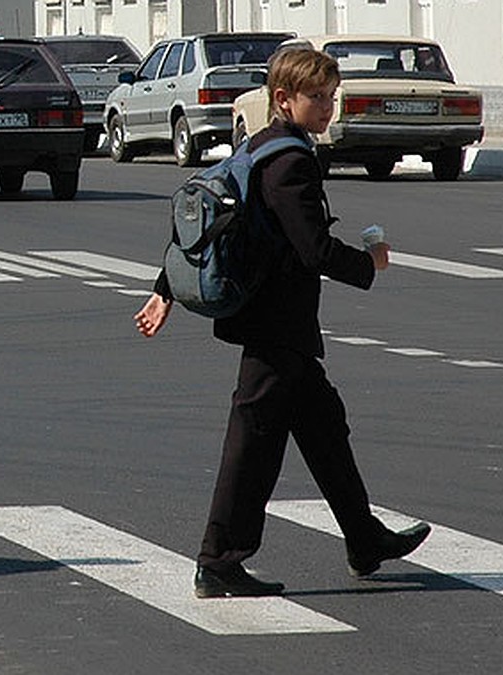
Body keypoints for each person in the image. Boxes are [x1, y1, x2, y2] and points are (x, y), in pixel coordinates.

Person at [133, 47, 431, 598]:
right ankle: (218, 561)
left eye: (331, 96)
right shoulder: (289, 162)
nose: (326, 106)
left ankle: (364, 540)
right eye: (316, 97)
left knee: (324, 427)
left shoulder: (261, 146)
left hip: (277, 324)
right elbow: (314, 250)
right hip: (275, 326)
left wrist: (163, 289)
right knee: (251, 447)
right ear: (283, 99)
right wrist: (371, 262)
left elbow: (214, 215)